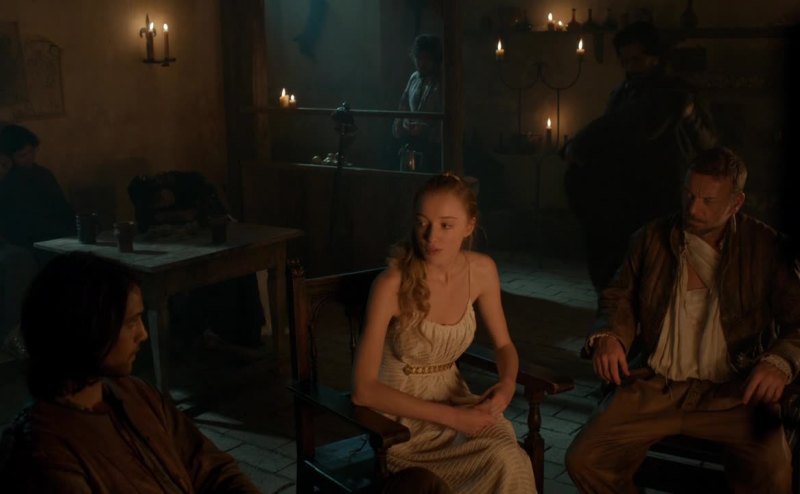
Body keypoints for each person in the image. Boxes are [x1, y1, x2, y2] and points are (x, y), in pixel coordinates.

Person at [565, 147, 800, 493]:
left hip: (733, 394)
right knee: (584, 459)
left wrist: (779, 362)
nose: (693, 209)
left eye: (708, 201)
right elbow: (618, 296)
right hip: (656, 386)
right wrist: (609, 337)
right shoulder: (650, 238)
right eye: (689, 195)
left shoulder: (765, 247)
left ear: (736, 203)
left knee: (774, 474)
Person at [0, 252, 262, 492]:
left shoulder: (135, 393)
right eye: (131, 323)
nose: (143, 334)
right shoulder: (45, 451)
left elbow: (208, 464)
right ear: (87, 328)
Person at [351, 173, 536, 492]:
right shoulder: (391, 285)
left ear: (469, 226)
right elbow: (363, 391)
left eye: (446, 225)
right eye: (422, 223)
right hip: (401, 424)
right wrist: (454, 419)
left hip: (457, 400)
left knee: (511, 457)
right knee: (502, 461)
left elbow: (504, 345)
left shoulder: (482, 270)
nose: (431, 236)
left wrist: (506, 386)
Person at [563, 21, 717, 294]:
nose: (631, 67)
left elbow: (709, 142)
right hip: (625, 194)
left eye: (637, 60)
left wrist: (690, 115)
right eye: (625, 61)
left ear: (655, 57)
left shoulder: (676, 92)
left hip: (663, 191)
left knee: (659, 271)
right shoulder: (622, 93)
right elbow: (611, 130)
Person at [128, 171, 265, 348]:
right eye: (155, 203)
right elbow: (145, 221)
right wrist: (158, 217)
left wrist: (183, 217)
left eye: (160, 199)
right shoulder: (146, 194)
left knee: (241, 269)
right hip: (181, 253)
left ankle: (242, 335)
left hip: (215, 245)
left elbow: (213, 216)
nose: (159, 204)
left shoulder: (191, 185)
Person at [0, 125, 74, 357]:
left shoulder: (42, 174)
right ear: (9, 157)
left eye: (32, 153)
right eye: (23, 155)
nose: (30, 159)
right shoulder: (7, 181)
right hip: (26, 241)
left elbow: (63, 209)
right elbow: (12, 223)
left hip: (56, 236)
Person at [392, 34, 443, 173]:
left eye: (427, 58)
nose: (422, 63)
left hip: (434, 150)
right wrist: (404, 122)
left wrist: (426, 129)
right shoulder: (414, 78)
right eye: (419, 58)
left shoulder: (443, 82)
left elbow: (448, 119)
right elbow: (403, 106)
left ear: (435, 59)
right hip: (412, 144)